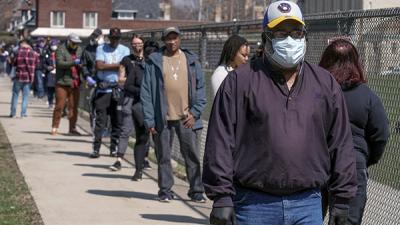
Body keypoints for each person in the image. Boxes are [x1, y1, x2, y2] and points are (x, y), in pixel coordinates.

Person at [202, 1, 357, 225]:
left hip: (308, 205)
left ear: (305, 37)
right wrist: (221, 197)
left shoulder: (324, 83)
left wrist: (341, 200)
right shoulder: (240, 81)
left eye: (296, 33)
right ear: (266, 38)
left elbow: (341, 143)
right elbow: (220, 141)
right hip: (253, 205)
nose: (290, 40)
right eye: (281, 33)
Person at [319, 38, 390, 225]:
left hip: (316, 163)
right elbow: (380, 134)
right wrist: (364, 158)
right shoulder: (368, 96)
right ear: (356, 62)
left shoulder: (315, 92)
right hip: (352, 165)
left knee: (308, 218)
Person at [141, 26, 207, 203]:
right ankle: (165, 190)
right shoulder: (154, 61)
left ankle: (196, 190)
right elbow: (146, 92)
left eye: (175, 38)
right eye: (168, 39)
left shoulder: (191, 60)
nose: (172, 42)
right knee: (163, 156)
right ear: (164, 40)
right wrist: (149, 119)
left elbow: (201, 89)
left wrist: (195, 112)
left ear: (180, 39)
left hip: (187, 118)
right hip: (163, 118)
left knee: (192, 155)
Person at [109, 35, 159, 181]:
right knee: (129, 130)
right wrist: (143, 90)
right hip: (135, 103)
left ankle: (147, 160)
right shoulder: (131, 63)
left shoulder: (158, 67)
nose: (137, 46)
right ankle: (120, 159)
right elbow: (123, 81)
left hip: (155, 107)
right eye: (134, 43)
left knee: (155, 138)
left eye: (139, 43)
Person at [89, 27, 130, 158]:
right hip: (103, 89)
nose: (114, 40)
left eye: (117, 38)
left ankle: (113, 148)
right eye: (112, 38)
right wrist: (119, 65)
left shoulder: (125, 50)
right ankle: (96, 148)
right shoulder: (101, 49)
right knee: (101, 120)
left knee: (116, 121)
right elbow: (99, 66)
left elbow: (126, 67)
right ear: (109, 38)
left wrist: (110, 65)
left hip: (118, 89)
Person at [51, 33, 84, 135]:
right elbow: (60, 63)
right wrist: (74, 62)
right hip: (62, 82)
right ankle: (55, 126)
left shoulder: (79, 50)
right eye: (73, 43)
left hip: (75, 81)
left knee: (73, 107)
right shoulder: (60, 49)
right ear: (69, 41)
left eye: (77, 43)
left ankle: (72, 128)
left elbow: (83, 62)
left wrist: (82, 65)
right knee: (59, 106)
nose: (75, 45)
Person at [81, 28, 104, 130]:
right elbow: (83, 64)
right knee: (92, 103)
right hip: (93, 79)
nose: (95, 38)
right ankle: (94, 126)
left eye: (97, 36)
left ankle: (104, 127)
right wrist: (87, 76)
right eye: (94, 36)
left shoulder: (107, 48)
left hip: (105, 80)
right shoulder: (88, 50)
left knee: (104, 105)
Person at [9, 39, 39, 118]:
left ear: (24, 44)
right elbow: (35, 65)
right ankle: (23, 113)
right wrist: (32, 77)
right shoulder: (34, 53)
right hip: (28, 77)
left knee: (15, 95)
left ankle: (13, 113)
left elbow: (13, 63)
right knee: (25, 96)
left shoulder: (17, 52)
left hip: (18, 76)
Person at [43, 39, 59, 108]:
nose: (54, 46)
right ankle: (50, 102)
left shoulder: (59, 53)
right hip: (50, 73)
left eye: (55, 45)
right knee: (50, 88)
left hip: (58, 73)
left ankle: (57, 103)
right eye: (52, 45)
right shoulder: (47, 53)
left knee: (57, 89)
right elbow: (43, 63)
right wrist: (47, 67)